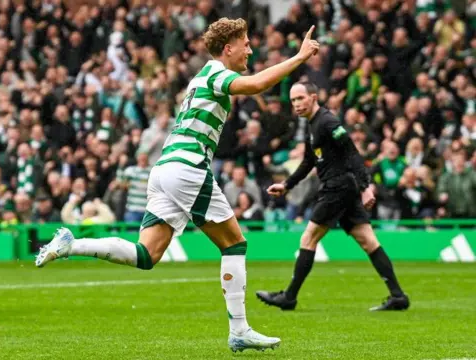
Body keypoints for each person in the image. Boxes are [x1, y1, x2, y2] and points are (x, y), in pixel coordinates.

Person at [35, 18, 320, 352]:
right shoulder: (215, 73)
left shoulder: (203, 77)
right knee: (234, 245)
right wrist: (299, 57)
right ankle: (240, 329)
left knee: (146, 254)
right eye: (245, 44)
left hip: (166, 168)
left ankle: (73, 244)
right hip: (187, 168)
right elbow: (255, 84)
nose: (251, 49)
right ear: (228, 49)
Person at [255, 82, 410, 312]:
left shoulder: (327, 122)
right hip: (343, 187)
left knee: (308, 239)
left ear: (314, 97)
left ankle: (289, 297)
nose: (296, 104)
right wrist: (287, 184)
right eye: (293, 100)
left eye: (300, 98)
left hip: (338, 187)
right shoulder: (312, 125)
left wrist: (366, 186)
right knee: (368, 241)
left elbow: (351, 152)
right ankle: (398, 296)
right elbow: (309, 161)